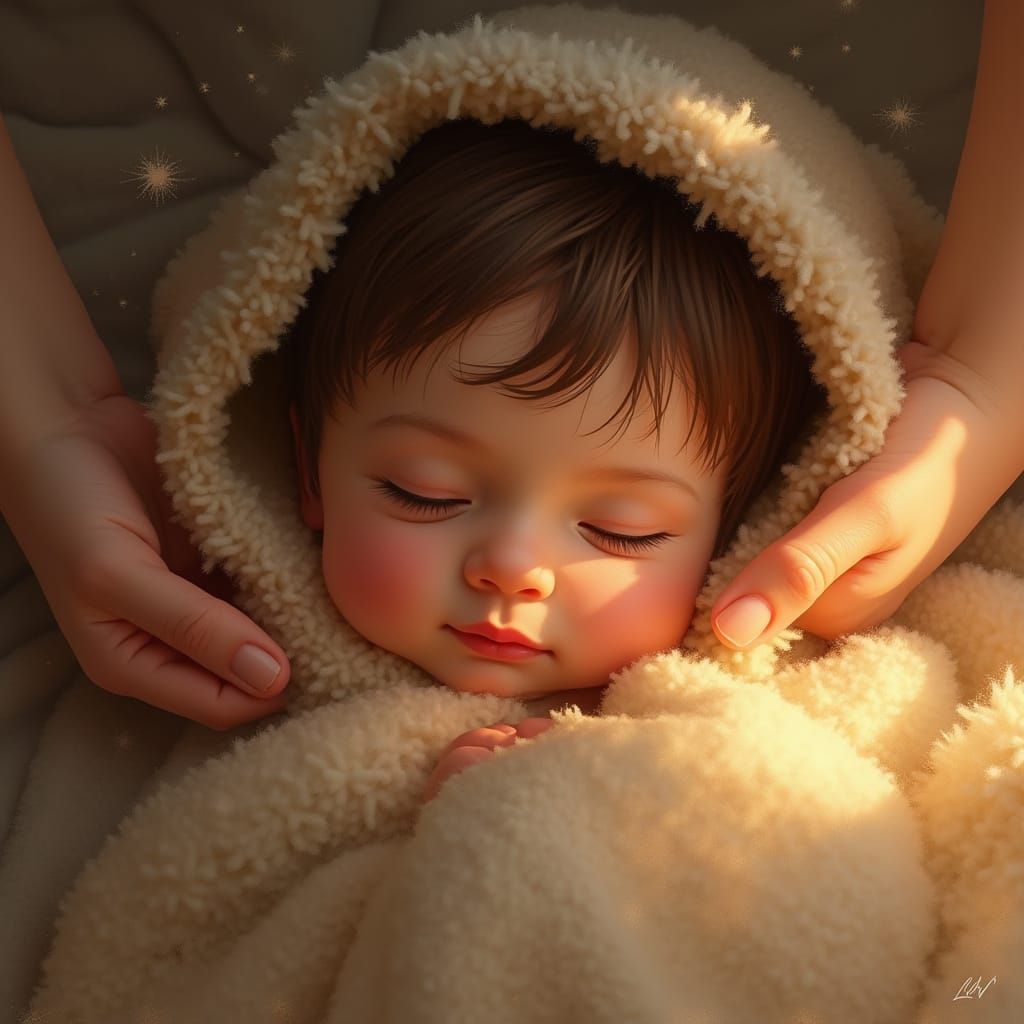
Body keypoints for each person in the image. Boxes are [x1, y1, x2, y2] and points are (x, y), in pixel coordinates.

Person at [1, 0, 1023, 744]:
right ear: (304, 467)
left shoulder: (763, 719)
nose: (511, 566)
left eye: (624, 528)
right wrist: (47, 416)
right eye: (422, 490)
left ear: (747, 521)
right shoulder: (183, 698)